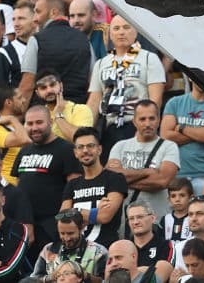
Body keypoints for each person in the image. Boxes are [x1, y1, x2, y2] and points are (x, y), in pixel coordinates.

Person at [86, 15, 165, 153]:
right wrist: (88, 133)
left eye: (126, 27)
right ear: (110, 35)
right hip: (109, 127)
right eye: (116, 28)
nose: (121, 32)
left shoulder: (149, 59)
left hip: (138, 126)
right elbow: (94, 101)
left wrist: (147, 127)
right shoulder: (101, 64)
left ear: (135, 32)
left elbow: (156, 99)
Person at [10, 106, 79, 246]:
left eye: (39, 122)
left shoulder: (66, 149)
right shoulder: (24, 151)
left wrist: (61, 221)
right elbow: (18, 186)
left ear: (51, 122)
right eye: (29, 124)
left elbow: (75, 188)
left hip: (52, 227)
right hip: (26, 225)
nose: (34, 128)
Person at [107, 100, 180, 219]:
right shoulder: (120, 146)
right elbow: (110, 178)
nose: (147, 124)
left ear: (159, 120)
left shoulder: (169, 146)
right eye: (142, 119)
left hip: (156, 219)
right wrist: (146, 172)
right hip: (124, 220)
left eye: (152, 118)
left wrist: (124, 180)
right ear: (134, 122)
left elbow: (161, 182)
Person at [61, 126, 128, 248]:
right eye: (80, 147)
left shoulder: (115, 178)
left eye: (90, 146)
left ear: (99, 149)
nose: (85, 150)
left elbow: (105, 216)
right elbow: (61, 218)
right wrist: (96, 211)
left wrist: (74, 212)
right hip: (77, 251)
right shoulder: (72, 184)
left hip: (106, 251)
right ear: (75, 153)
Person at [161, 84, 204, 195]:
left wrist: (181, 128)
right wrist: (201, 133)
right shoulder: (175, 102)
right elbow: (166, 136)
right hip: (177, 177)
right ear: (190, 77)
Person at [30, 209, 108, 281]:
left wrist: (84, 276)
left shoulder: (99, 252)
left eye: (70, 233)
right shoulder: (48, 250)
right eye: (62, 233)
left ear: (81, 228)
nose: (67, 238)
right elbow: (32, 280)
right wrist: (51, 277)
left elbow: (107, 281)